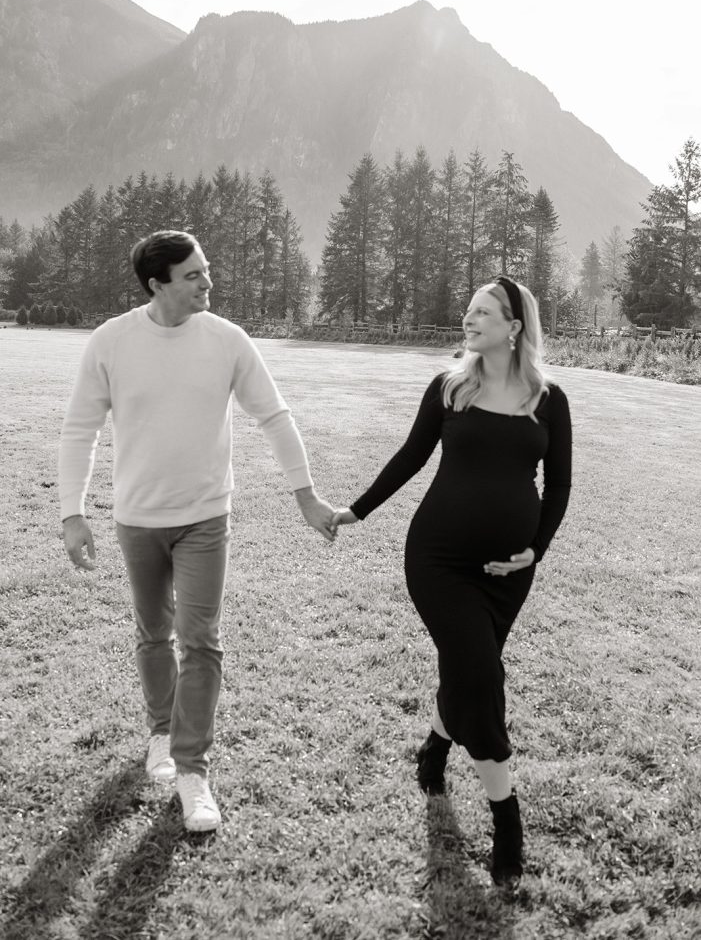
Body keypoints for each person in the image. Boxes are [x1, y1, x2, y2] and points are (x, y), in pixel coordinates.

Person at [59, 230, 336, 833]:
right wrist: (71, 511)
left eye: (206, 270)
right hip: (137, 518)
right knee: (154, 633)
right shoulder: (112, 341)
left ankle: (193, 771)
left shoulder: (227, 340)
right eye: (193, 275)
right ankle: (161, 732)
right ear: (157, 284)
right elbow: (80, 429)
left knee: (201, 638)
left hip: (207, 515)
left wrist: (306, 494)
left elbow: (274, 415)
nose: (207, 282)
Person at [332, 276, 571, 886]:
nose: (469, 319)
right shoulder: (450, 389)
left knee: (470, 671)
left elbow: (559, 487)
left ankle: (436, 747)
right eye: (468, 311)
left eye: (484, 312)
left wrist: (533, 554)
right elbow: (411, 456)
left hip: (506, 575)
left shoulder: (549, 399)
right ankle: (507, 821)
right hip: (437, 559)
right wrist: (355, 510)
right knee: (482, 676)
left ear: (515, 326)